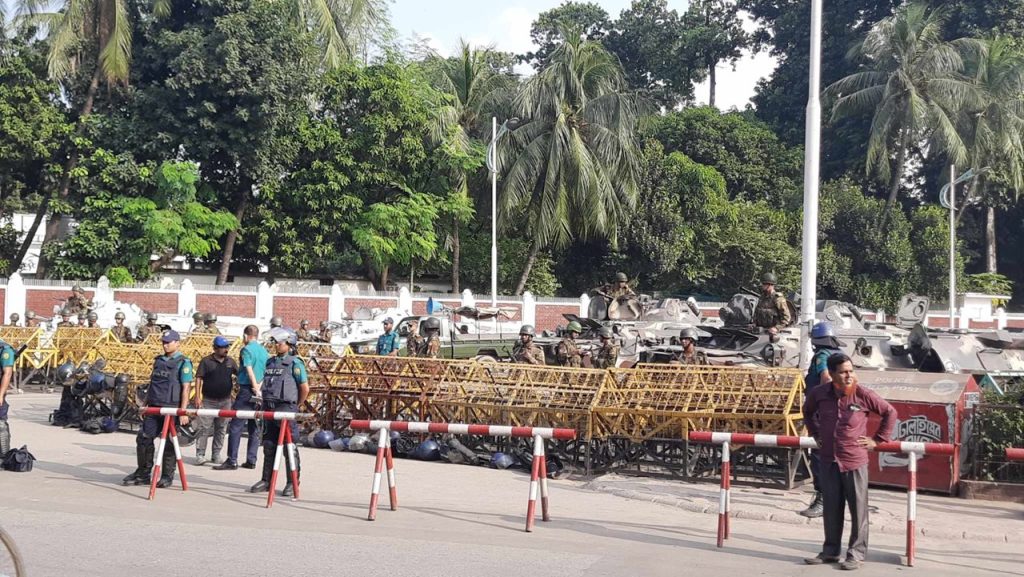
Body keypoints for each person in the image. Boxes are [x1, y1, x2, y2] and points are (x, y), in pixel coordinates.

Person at [802, 353, 897, 571]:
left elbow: (889, 412)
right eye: (844, 372)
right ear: (832, 374)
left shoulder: (862, 394)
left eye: (851, 371)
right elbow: (807, 412)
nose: (849, 375)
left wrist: (878, 440)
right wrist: (815, 432)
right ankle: (830, 551)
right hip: (829, 461)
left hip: (854, 461)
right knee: (832, 509)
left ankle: (856, 553)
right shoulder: (820, 393)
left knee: (858, 510)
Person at [122, 330, 193, 488]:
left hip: (172, 409)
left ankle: (167, 476)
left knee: (169, 443)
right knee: (143, 438)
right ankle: (143, 473)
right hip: (154, 407)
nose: (165, 345)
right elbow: (152, 383)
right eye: (164, 342)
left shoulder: (183, 362)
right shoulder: (158, 361)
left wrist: (183, 411)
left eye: (169, 342)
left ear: (177, 343)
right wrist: (145, 405)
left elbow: (186, 388)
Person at [248, 328, 308, 497]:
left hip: (285, 408)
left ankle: (293, 482)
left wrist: (296, 405)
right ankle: (266, 480)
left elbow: (304, 388)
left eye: (279, 342)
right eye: (275, 342)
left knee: (289, 447)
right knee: (268, 445)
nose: (276, 345)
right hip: (269, 406)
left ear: (289, 344)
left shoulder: (295, 363)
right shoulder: (270, 362)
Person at [800, 321, 845, 519]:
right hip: (837, 413)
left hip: (822, 413)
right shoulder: (839, 356)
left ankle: (823, 498)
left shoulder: (822, 356)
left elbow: (826, 378)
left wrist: (818, 399)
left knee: (819, 455)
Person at [215, 325, 267, 471]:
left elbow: (249, 369)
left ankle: (232, 460)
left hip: (247, 390)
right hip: (259, 390)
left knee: (236, 426)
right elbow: (265, 371)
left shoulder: (246, 350)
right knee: (254, 426)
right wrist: (259, 388)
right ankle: (251, 460)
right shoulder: (264, 351)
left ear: (245, 336)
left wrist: (254, 388)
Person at [194, 336, 238, 466]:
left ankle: (216, 454)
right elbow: (198, 378)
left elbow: (240, 375)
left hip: (225, 401)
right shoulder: (206, 361)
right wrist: (197, 396)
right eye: (223, 347)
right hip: (208, 401)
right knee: (204, 428)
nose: (226, 350)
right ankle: (200, 454)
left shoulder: (231, 362)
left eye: (227, 347)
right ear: (215, 348)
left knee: (221, 428)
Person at [0, 337, 15, 455]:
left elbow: (7, 373)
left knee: (0, 425)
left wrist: (0, 395)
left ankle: (3, 455)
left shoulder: (5, 350)